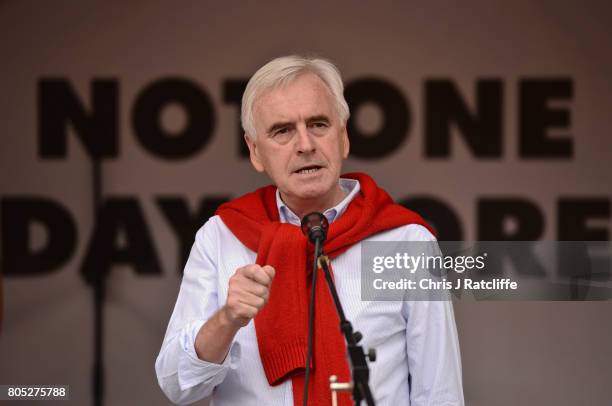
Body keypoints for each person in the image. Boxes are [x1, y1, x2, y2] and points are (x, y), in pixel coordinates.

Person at [155, 55, 464, 405]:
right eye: (282, 131)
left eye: (318, 124)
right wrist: (227, 319)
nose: (305, 144)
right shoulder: (221, 237)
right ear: (255, 152)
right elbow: (177, 385)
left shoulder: (407, 241)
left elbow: (439, 391)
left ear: (343, 137)